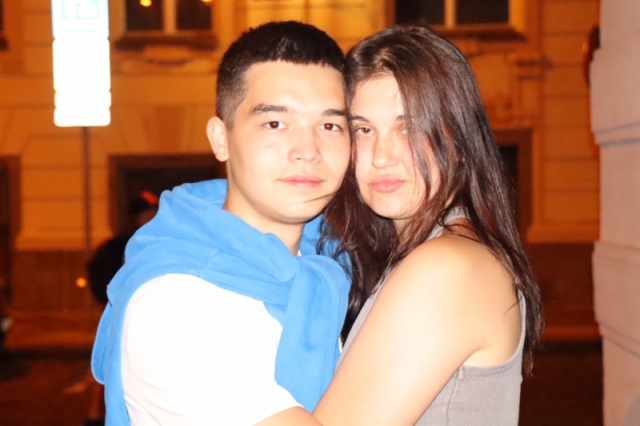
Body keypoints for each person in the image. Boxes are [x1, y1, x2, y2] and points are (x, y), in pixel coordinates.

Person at [91, 21, 351, 425]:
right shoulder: (173, 307)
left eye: (330, 125)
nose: (307, 150)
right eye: (275, 123)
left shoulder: (335, 270)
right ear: (221, 139)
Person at [314, 25, 544, 425]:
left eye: (410, 128)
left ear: (459, 139)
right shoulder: (437, 254)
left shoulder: (446, 268)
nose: (381, 155)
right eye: (364, 129)